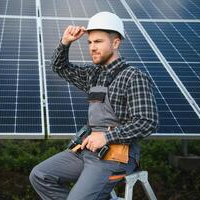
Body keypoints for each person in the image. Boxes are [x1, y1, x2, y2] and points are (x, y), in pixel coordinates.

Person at [29, 12, 158, 200]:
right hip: (87, 151)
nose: (92, 48)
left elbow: (147, 122)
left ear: (115, 43)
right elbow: (60, 68)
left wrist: (107, 136)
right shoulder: (93, 75)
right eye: (90, 42)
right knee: (40, 175)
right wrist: (65, 43)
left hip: (117, 155)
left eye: (98, 42)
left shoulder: (133, 77)